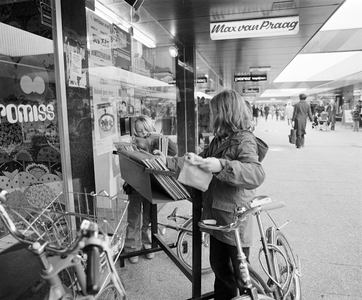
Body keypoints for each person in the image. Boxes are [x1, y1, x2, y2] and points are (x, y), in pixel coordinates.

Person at [155, 90, 266, 299]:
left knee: (240, 274)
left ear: (226, 112)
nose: (210, 115)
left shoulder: (244, 140)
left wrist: (221, 165)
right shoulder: (219, 139)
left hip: (234, 218)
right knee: (220, 268)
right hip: (216, 216)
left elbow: (257, 174)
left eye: (214, 111)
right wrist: (171, 160)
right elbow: (198, 161)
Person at [124, 115, 177, 264]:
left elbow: (174, 151)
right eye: (138, 130)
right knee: (134, 218)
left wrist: (159, 136)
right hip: (135, 183)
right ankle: (131, 249)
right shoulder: (133, 142)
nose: (141, 133)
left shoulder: (158, 140)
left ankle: (148, 246)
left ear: (150, 128)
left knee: (148, 217)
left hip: (152, 184)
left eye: (144, 130)